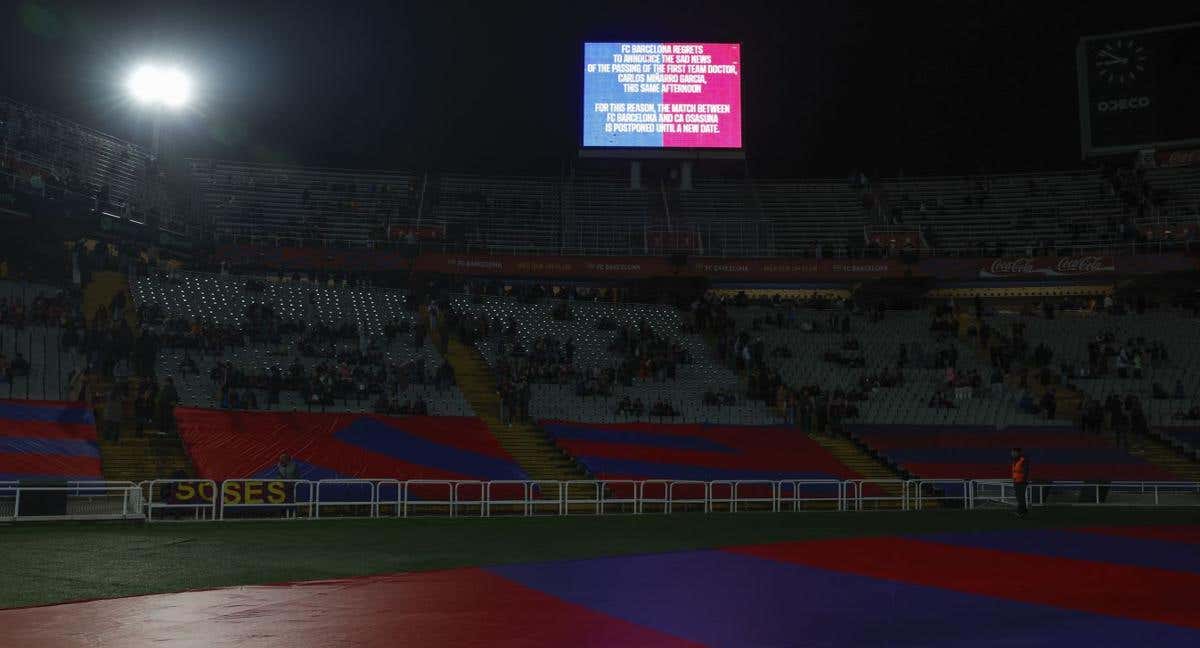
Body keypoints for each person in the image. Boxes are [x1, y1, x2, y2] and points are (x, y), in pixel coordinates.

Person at [1011, 447, 1030, 518]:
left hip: (1021, 482)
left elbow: (1026, 471)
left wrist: (1023, 480)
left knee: (1020, 498)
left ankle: (1021, 512)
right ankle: (1024, 511)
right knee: (1019, 497)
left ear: (1018, 453)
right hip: (1016, 481)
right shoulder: (1015, 460)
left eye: (1014, 452)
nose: (1012, 454)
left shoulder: (1023, 460)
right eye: (1012, 452)